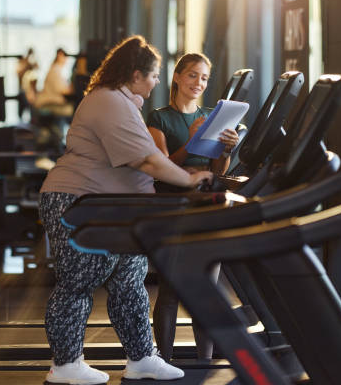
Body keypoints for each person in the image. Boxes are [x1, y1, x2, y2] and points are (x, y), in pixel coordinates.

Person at [39, 36, 213, 385]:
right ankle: (65, 364)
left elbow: (150, 159)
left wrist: (186, 175)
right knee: (78, 282)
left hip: (112, 207)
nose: (157, 81)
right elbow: (149, 160)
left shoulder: (121, 102)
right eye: (154, 75)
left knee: (129, 281)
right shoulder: (108, 102)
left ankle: (142, 357)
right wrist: (189, 181)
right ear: (136, 74)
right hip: (78, 202)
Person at [146, 52, 240, 362]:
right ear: (176, 77)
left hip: (206, 205)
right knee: (172, 289)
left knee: (206, 291)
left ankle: (206, 362)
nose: (198, 82)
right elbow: (163, 165)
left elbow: (217, 168)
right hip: (173, 205)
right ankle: (165, 360)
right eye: (192, 75)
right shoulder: (158, 118)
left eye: (203, 78)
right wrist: (192, 140)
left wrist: (227, 148)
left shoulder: (213, 114)